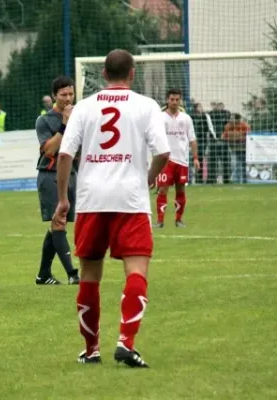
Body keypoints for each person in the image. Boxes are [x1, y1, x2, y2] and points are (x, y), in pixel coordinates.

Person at [53, 49, 170, 368]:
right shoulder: (146, 106)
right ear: (132, 74)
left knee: (90, 274)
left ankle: (91, 350)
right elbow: (163, 152)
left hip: (92, 199)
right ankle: (126, 343)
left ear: (103, 74)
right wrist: (145, 179)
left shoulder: (84, 108)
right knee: (136, 269)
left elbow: (64, 155)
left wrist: (63, 199)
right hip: (130, 200)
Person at [35, 75, 80, 285]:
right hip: (50, 176)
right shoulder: (44, 121)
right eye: (63, 95)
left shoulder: (80, 116)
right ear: (54, 96)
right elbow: (50, 149)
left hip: (71, 176)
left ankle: (43, 275)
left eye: (71, 94)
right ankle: (72, 274)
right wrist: (64, 125)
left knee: (57, 225)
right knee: (59, 224)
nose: (68, 98)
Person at [154, 89, 199, 228]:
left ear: (180, 101)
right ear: (167, 100)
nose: (174, 102)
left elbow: (192, 139)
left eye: (177, 99)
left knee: (181, 190)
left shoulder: (186, 118)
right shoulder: (159, 117)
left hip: (182, 160)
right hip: (165, 160)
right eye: (172, 99)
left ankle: (179, 220)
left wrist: (196, 158)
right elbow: (154, 138)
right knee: (162, 190)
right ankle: (160, 221)